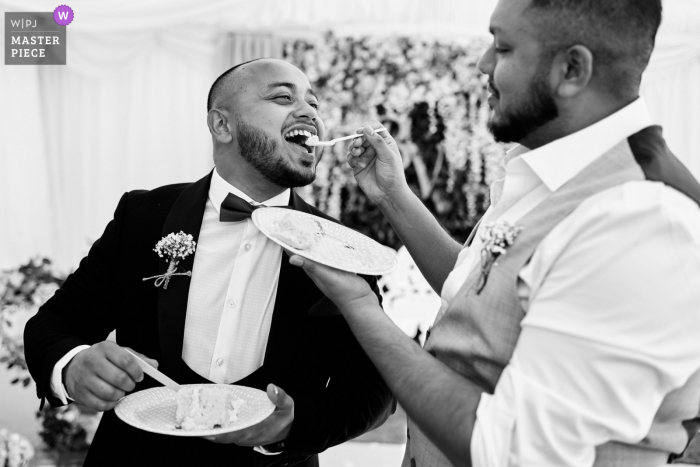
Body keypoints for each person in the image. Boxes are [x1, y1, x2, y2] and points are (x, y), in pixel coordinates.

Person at [289, 0, 700, 466]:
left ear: (572, 69)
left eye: (502, 48)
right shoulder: (545, 168)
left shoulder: (637, 219)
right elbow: (478, 291)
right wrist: (392, 196)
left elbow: (511, 450)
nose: (483, 64)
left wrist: (360, 307)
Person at [23, 58, 394, 467]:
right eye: (283, 97)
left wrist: (291, 427)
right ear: (222, 125)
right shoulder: (143, 216)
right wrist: (72, 365)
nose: (310, 112)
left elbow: (374, 391)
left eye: (314, 104)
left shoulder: (342, 247)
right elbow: (54, 324)